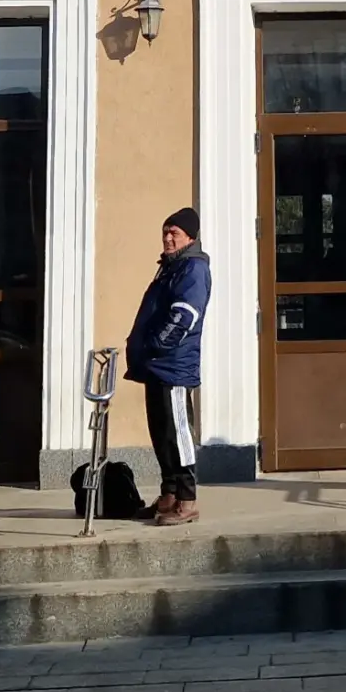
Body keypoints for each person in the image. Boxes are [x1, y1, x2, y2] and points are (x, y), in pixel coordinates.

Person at [127, 207, 211, 527]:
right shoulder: (170, 267)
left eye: (174, 233)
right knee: (161, 435)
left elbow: (185, 315)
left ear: (190, 237)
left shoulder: (193, 268)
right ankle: (169, 495)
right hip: (156, 366)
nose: (167, 238)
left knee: (178, 434)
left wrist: (156, 344)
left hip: (174, 367)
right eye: (165, 232)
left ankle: (187, 501)